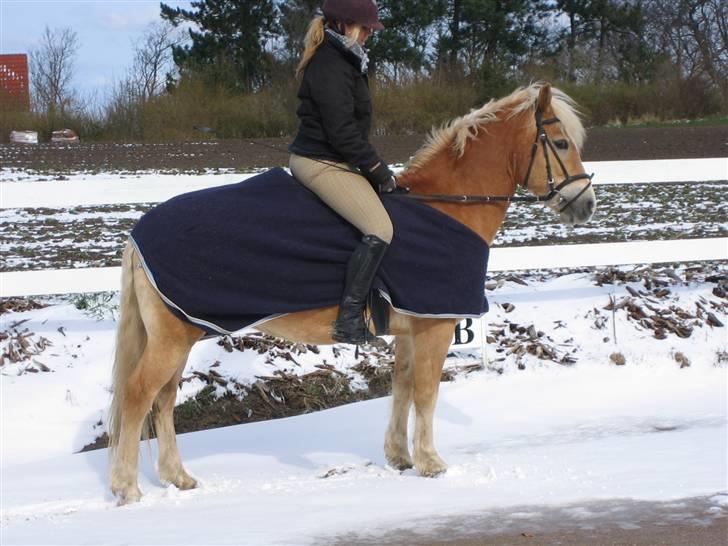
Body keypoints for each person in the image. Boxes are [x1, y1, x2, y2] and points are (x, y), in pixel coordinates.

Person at [289, 0, 403, 344]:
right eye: (365, 27)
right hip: (320, 162)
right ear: (342, 25)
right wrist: (378, 170)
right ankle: (349, 319)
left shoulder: (346, 59)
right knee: (379, 227)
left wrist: (376, 169)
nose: (369, 33)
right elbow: (342, 132)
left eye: (370, 28)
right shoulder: (330, 64)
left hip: (338, 159)